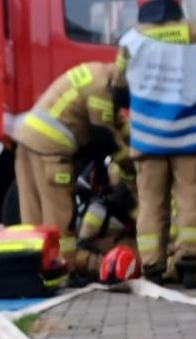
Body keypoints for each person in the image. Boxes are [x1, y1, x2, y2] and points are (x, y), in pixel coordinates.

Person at [116, 0, 196, 288]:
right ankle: (190, 262)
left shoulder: (131, 40)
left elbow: (117, 89)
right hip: (190, 134)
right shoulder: (193, 32)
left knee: (151, 202)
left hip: (148, 137)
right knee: (191, 198)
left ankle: (152, 266)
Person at [11, 61, 127, 274]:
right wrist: (127, 158)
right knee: (59, 219)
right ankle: (64, 269)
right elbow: (104, 136)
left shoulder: (96, 73)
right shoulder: (101, 89)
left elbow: (115, 121)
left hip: (26, 140)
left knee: (32, 216)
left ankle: (34, 268)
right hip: (51, 151)